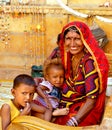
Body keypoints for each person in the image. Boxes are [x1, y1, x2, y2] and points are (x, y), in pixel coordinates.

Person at [54, 21, 109, 126]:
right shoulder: (70, 57)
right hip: (70, 104)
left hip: (86, 110)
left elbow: (91, 101)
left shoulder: (89, 63)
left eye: (77, 39)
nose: (73, 44)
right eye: (68, 39)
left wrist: (73, 122)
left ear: (84, 40)